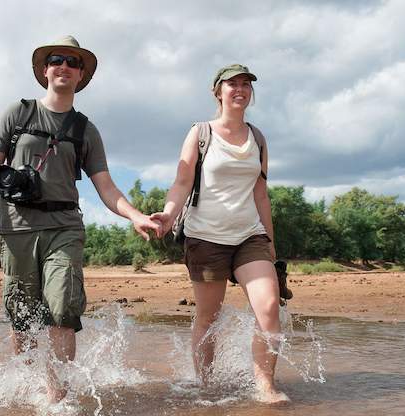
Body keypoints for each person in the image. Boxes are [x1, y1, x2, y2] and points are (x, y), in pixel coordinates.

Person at [0, 35, 160, 402]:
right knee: (23, 314)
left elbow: (105, 185)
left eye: (73, 62)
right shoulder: (18, 113)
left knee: (63, 307)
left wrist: (135, 216)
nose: (64, 66)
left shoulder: (85, 129)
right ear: (45, 70)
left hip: (64, 227)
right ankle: (27, 385)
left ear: (81, 75)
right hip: (16, 227)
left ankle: (57, 397)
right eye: (57, 60)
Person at [150, 64, 289, 404]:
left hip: (249, 236)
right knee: (209, 317)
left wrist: (270, 245)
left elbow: (260, 193)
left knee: (269, 307)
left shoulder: (258, 137)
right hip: (205, 236)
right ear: (218, 91)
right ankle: (206, 385)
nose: (240, 89)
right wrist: (167, 215)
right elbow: (182, 181)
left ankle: (265, 386)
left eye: (246, 84)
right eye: (233, 84)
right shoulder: (200, 132)